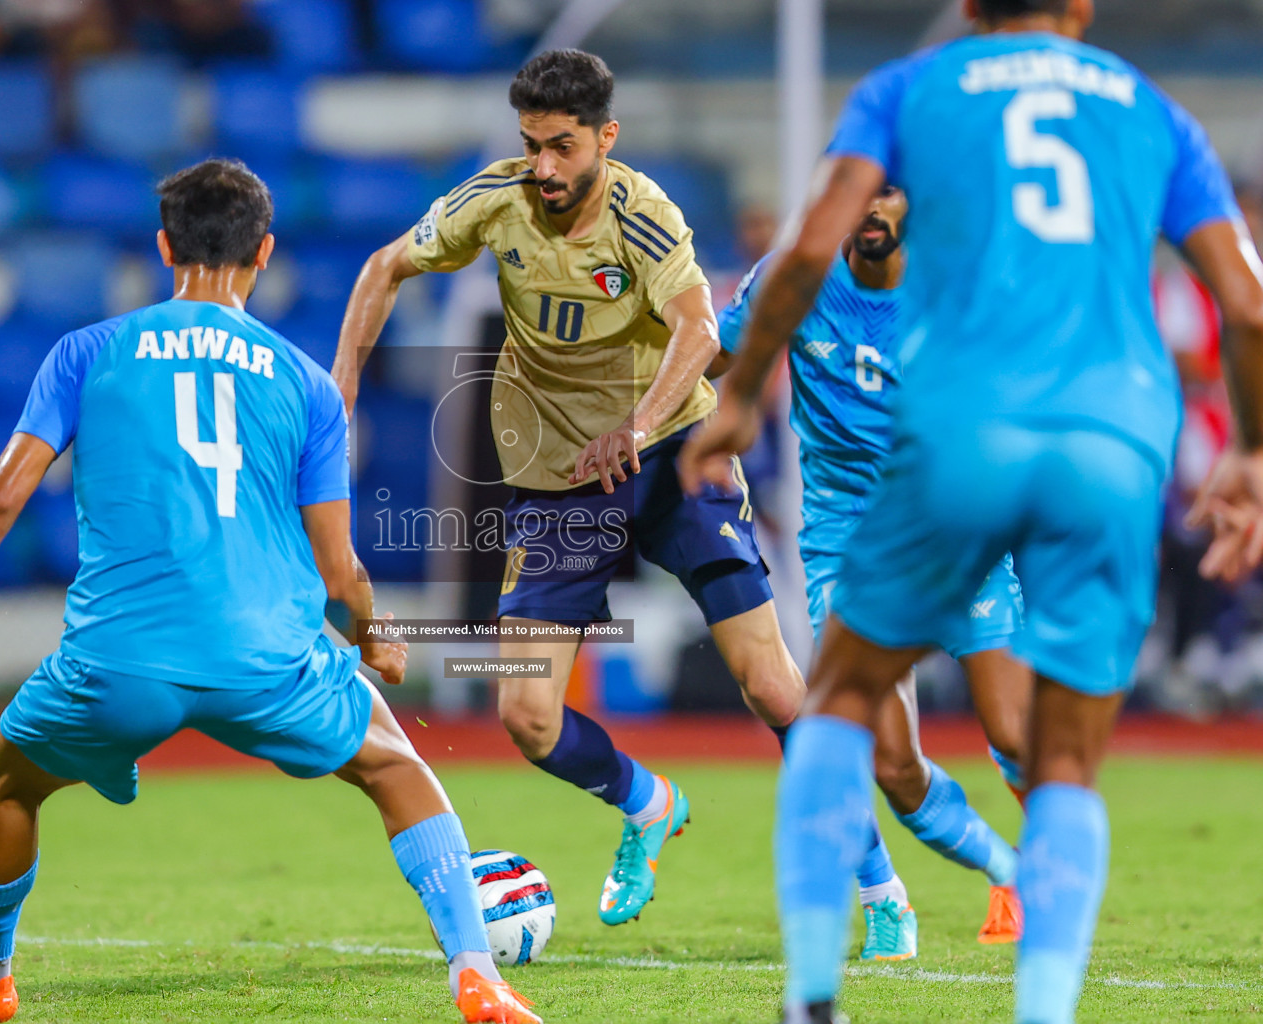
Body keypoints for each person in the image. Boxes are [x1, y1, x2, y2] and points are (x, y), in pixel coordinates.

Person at [0, 159, 541, 1024]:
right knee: (396, 765)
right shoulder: (307, 385)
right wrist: (374, 635)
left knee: (7, 779)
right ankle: (479, 976)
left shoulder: (87, 353)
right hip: (267, 659)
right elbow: (340, 569)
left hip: (119, 662)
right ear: (266, 252)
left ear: (165, 245)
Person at [679, 0, 1263, 1020]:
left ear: (968, 8)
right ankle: (1044, 1006)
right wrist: (1252, 449)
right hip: (1118, 440)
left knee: (842, 702)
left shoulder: (916, 91)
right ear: (1079, 7)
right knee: (1063, 756)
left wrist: (737, 400)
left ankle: (811, 996)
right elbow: (1249, 303)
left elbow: (807, 245)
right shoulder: (1150, 108)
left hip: (963, 438)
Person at [331, 49, 806, 929]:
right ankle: (647, 804)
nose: (543, 167)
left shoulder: (644, 215)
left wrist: (639, 424)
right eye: (531, 145)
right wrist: (341, 399)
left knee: (774, 687)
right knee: (527, 715)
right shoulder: (495, 200)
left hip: (675, 454)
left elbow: (701, 328)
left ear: (604, 138)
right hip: (563, 483)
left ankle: (866, 870)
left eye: (561, 146)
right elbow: (381, 267)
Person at [716, 185, 1030, 958]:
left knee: (1016, 732)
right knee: (890, 764)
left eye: (888, 191)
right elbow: (710, 355)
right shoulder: (793, 279)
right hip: (849, 549)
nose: (871, 206)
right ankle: (999, 870)